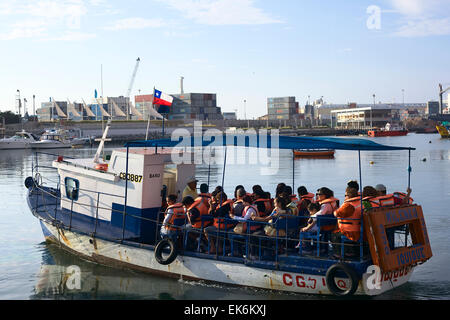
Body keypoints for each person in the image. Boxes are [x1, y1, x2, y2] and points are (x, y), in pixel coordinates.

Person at [331, 187, 361, 258]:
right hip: (359, 230)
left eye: (345, 195)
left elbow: (336, 214)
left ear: (349, 196)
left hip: (350, 231)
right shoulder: (360, 203)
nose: (344, 197)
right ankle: (350, 251)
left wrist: (335, 210)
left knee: (334, 235)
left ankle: (338, 254)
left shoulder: (348, 205)